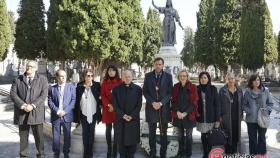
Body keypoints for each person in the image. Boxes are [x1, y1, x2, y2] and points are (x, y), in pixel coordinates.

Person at [10, 60, 48, 158]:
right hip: (22, 113)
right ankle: (23, 156)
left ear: (36, 68)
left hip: (36, 113)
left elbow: (43, 95)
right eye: (27, 66)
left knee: (39, 138)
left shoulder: (42, 79)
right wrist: (23, 105)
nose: (28, 68)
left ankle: (41, 155)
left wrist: (33, 105)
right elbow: (13, 94)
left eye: (31, 66)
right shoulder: (18, 79)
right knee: (23, 138)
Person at [143, 57, 173, 158]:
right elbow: (145, 92)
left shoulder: (168, 76)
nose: (158, 66)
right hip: (151, 108)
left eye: (160, 64)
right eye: (156, 64)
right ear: (154, 64)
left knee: (163, 132)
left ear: (163, 65)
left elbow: (169, 93)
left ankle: (163, 153)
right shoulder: (148, 76)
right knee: (152, 133)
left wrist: (160, 103)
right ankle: (152, 153)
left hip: (163, 109)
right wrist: (152, 102)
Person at [112, 70, 142, 158]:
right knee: (121, 150)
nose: (127, 78)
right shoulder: (116, 89)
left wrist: (131, 116)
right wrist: (123, 115)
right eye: (125, 76)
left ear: (132, 77)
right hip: (120, 121)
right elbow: (115, 105)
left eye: (129, 76)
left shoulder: (138, 89)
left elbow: (139, 105)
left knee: (132, 150)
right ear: (122, 77)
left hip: (133, 121)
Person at [73, 69, 102, 158]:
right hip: (83, 113)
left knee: (91, 134)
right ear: (84, 76)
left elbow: (100, 98)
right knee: (85, 134)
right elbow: (77, 101)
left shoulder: (96, 85)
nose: (89, 77)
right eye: (87, 76)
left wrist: (91, 88)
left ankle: (90, 154)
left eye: (91, 76)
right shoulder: (79, 85)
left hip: (93, 113)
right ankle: (86, 154)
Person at [242, 74, 273, 156]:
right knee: (252, 139)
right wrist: (249, 111)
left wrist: (267, 112)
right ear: (251, 82)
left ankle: (262, 155)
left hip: (263, 119)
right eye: (255, 80)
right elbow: (244, 104)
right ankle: (253, 155)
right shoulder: (247, 92)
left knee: (262, 138)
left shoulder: (265, 91)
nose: (257, 82)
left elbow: (270, 103)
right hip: (251, 119)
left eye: (258, 80)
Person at [48, 70, 76, 158]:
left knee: (67, 135)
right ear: (57, 77)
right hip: (56, 116)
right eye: (61, 76)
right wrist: (57, 111)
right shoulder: (52, 88)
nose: (63, 78)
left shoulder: (71, 87)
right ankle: (56, 153)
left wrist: (65, 111)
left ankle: (66, 153)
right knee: (56, 136)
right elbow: (50, 101)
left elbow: (73, 101)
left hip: (67, 115)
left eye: (64, 76)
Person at [171, 69, 199, 158]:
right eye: (181, 76)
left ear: (187, 77)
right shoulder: (175, 87)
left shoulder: (193, 87)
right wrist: (178, 112)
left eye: (184, 76)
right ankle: (181, 152)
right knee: (180, 136)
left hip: (189, 115)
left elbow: (194, 102)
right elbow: (173, 101)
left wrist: (185, 113)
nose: (183, 77)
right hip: (178, 115)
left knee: (189, 136)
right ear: (178, 77)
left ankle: (188, 153)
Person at [196, 72, 220, 158]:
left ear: (208, 79)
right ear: (199, 79)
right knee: (203, 136)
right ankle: (205, 153)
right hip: (201, 117)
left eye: (205, 78)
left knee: (210, 136)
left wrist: (217, 119)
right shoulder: (196, 88)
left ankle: (209, 153)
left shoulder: (213, 89)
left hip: (211, 117)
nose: (203, 79)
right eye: (201, 78)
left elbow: (217, 105)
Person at [101, 65, 122, 158]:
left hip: (117, 110)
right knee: (108, 129)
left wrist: (115, 106)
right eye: (109, 71)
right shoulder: (104, 82)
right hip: (107, 109)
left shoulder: (120, 82)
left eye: (113, 70)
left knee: (117, 130)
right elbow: (102, 95)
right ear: (107, 72)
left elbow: (122, 95)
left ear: (116, 72)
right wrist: (109, 105)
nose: (111, 72)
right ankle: (109, 149)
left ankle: (115, 149)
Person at [219, 73, 243, 154]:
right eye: (229, 79)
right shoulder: (222, 90)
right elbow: (219, 104)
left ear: (235, 79)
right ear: (226, 80)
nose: (230, 80)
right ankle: (228, 152)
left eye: (232, 78)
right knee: (227, 135)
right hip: (226, 117)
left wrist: (242, 115)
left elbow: (242, 103)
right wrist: (220, 116)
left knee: (236, 135)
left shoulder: (239, 90)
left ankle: (234, 152)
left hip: (237, 117)